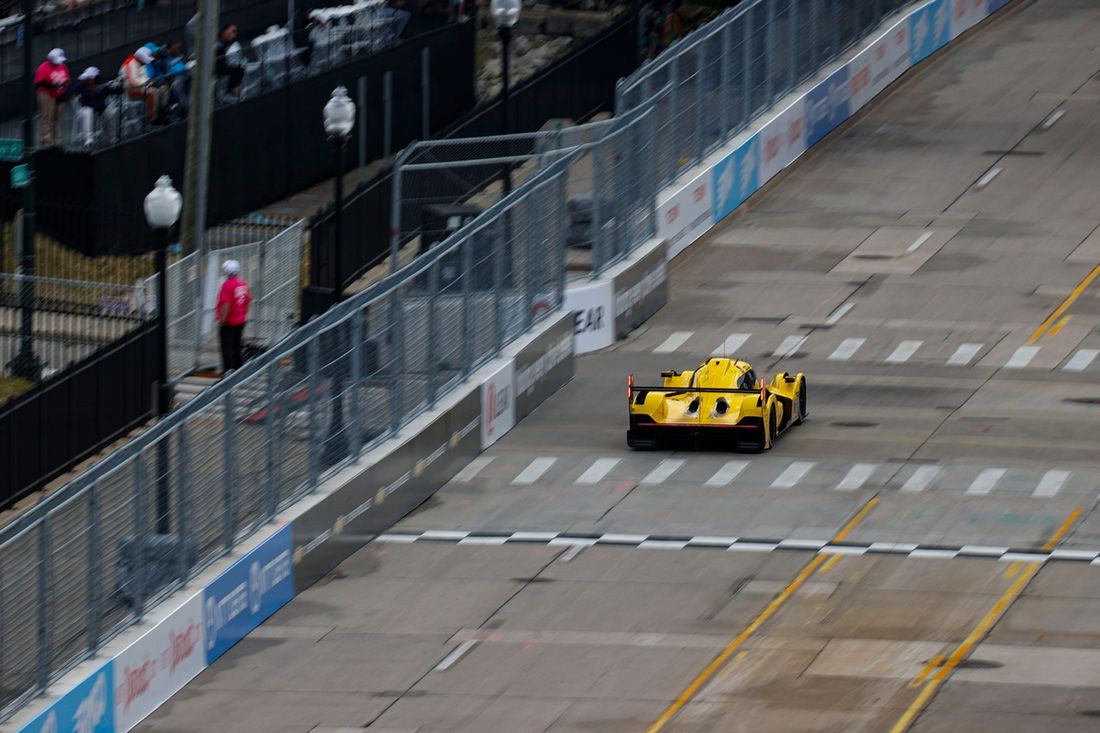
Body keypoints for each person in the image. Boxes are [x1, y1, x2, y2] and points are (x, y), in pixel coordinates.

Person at [72, 66, 123, 147]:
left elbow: (115, 90)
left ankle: (113, 137)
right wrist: (88, 92)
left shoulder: (102, 84)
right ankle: (88, 139)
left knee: (112, 113)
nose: (89, 79)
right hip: (87, 106)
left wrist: (118, 86)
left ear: (95, 77)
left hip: (101, 107)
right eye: (87, 78)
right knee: (87, 114)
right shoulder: (81, 85)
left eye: (90, 78)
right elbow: (75, 92)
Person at [217, 260, 251, 374]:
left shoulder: (227, 285)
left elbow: (226, 304)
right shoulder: (243, 283)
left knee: (227, 348)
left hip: (229, 322)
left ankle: (228, 372)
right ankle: (238, 370)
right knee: (237, 345)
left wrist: (222, 320)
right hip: (241, 320)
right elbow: (248, 300)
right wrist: (243, 313)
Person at [34, 48, 70, 147]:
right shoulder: (43, 67)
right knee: (47, 118)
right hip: (46, 94)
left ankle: (55, 139)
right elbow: (38, 83)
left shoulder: (62, 66)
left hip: (59, 95)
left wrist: (62, 85)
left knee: (56, 118)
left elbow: (67, 79)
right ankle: (47, 140)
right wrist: (51, 84)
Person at [121, 45, 166, 122]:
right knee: (151, 94)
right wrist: (147, 82)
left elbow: (143, 76)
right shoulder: (131, 63)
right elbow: (133, 80)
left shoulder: (139, 63)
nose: (145, 62)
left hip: (139, 87)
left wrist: (149, 81)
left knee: (161, 89)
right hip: (130, 90)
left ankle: (160, 112)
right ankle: (152, 118)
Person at [215, 24, 245, 95]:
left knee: (239, 70)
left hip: (228, 65)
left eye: (234, 32)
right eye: (231, 33)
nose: (233, 34)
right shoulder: (219, 45)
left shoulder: (231, 43)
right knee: (238, 70)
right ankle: (231, 90)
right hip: (220, 67)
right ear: (224, 33)